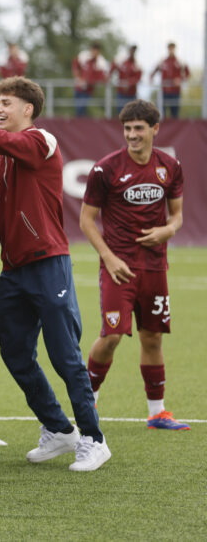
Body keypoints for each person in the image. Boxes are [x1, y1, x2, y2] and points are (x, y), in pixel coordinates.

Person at [0, 76, 110, 471]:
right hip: (14, 271)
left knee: (65, 357)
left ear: (28, 109)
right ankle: (58, 429)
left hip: (49, 264)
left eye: (6, 103)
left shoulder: (42, 141)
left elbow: (6, 143)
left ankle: (94, 438)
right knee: (15, 353)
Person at [79, 99, 188, 430]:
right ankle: (88, 405)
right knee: (111, 336)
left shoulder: (170, 166)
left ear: (155, 129)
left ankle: (157, 413)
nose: (132, 135)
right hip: (118, 268)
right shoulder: (106, 168)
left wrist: (167, 230)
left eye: (139, 128)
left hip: (155, 267)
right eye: (127, 129)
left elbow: (178, 215)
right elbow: (86, 220)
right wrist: (109, 258)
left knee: (153, 338)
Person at [151, 42, 189, 119]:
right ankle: (164, 129)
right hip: (165, 91)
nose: (171, 50)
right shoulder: (163, 61)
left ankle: (175, 129)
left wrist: (180, 80)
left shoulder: (180, 61)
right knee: (162, 112)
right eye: (169, 48)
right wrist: (151, 77)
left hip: (175, 91)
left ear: (175, 49)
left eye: (172, 48)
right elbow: (154, 71)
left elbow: (187, 73)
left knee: (174, 113)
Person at [71, 42, 109, 118]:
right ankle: (79, 122)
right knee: (77, 107)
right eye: (93, 50)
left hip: (88, 90)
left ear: (99, 51)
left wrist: (89, 82)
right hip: (78, 87)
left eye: (96, 50)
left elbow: (103, 78)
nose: (94, 52)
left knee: (81, 108)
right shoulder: (83, 56)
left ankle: (79, 123)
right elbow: (75, 66)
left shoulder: (101, 63)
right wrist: (78, 78)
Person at [110, 46, 142, 115]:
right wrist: (109, 77)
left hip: (132, 94)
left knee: (132, 114)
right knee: (120, 113)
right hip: (121, 93)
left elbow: (138, 78)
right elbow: (112, 68)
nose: (132, 52)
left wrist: (129, 83)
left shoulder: (137, 65)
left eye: (134, 51)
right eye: (131, 50)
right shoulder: (121, 62)